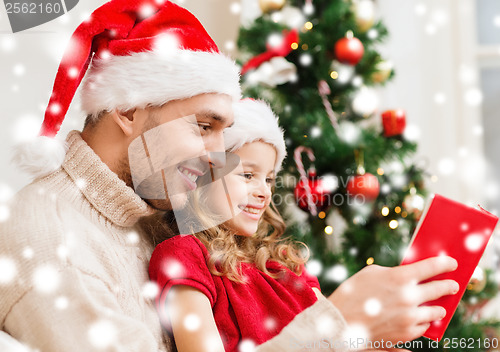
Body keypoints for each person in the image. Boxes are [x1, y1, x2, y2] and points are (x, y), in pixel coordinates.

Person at [0, 0, 458, 351]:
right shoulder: (51, 242)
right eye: (204, 126)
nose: (222, 158)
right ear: (126, 110)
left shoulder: (154, 215)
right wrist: (336, 328)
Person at [148, 100, 460, 352]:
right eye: (247, 175)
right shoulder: (183, 256)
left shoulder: (283, 265)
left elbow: (338, 337)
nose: (264, 191)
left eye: (269, 178)